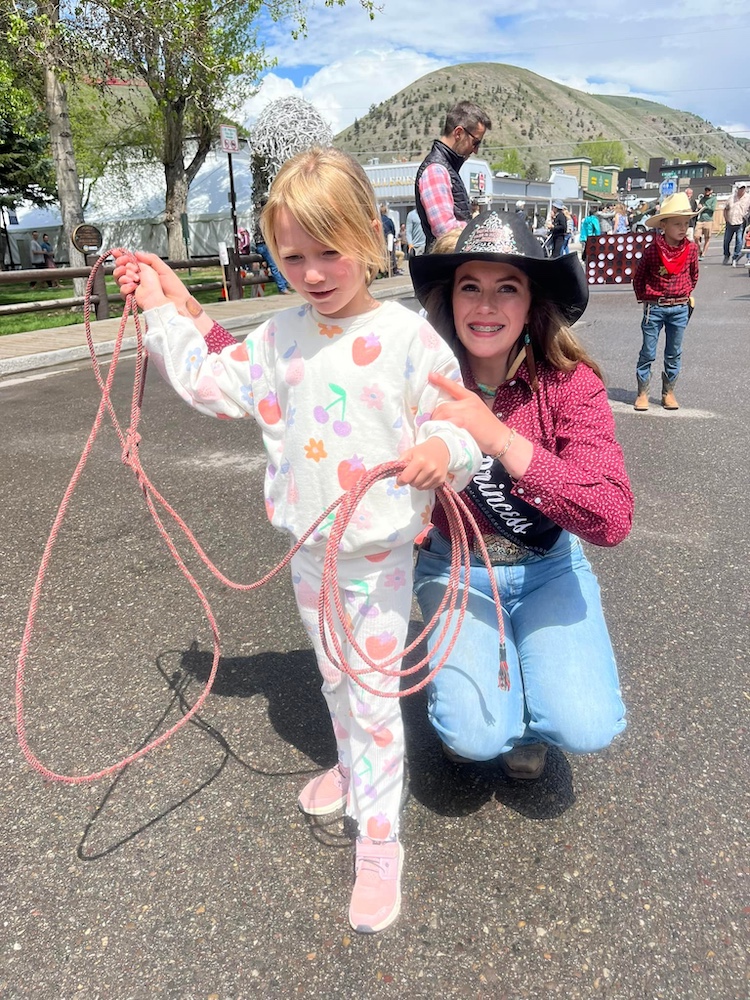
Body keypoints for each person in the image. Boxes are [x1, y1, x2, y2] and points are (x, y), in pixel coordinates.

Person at [112, 146, 482, 935]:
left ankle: (381, 837)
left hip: (379, 555)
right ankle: (353, 771)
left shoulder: (409, 340)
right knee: (332, 676)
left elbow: (463, 427)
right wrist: (159, 308)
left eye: (329, 250)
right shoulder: (278, 338)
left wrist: (441, 452)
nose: (313, 272)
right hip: (307, 551)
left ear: (369, 237)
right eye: (292, 255)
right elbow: (215, 384)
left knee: (373, 692)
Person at [408, 210, 632, 778]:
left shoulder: (570, 382)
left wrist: (501, 440)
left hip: (548, 567)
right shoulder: (414, 375)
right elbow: (314, 381)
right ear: (449, 299)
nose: (486, 306)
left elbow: (611, 516)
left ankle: (531, 712)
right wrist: (195, 328)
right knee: (477, 736)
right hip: (455, 568)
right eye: (470, 287)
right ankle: (495, 709)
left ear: (532, 302)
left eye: (508, 288)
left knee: (586, 723)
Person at [633, 192, 699, 411]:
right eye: (677, 224)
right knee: (648, 351)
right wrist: (645, 298)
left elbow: (694, 274)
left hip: (680, 307)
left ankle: (668, 392)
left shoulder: (691, 249)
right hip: (655, 307)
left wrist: (685, 292)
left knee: (673, 352)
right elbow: (640, 277)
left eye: (686, 223)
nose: (683, 228)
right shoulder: (653, 251)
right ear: (663, 225)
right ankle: (642, 392)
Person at [415, 100, 492, 252]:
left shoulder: (446, 168)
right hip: (445, 268)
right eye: (475, 142)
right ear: (458, 133)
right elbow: (447, 234)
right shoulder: (436, 170)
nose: (475, 150)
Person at [252, 196, 290, 294]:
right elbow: (265, 232)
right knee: (275, 265)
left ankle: (285, 284)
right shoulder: (263, 217)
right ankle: (282, 287)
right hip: (264, 244)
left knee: (280, 263)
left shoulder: (261, 216)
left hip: (267, 243)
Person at [722, 182, 750, 266]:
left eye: (743, 188)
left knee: (739, 241)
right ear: (737, 189)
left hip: (741, 222)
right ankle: (726, 255)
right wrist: (726, 219)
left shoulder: (748, 198)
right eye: (740, 188)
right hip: (730, 222)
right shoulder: (731, 198)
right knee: (726, 241)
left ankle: (735, 257)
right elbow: (725, 209)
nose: (742, 190)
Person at [694, 186, 717, 259]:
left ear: (711, 191)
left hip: (708, 220)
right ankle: (699, 250)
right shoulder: (702, 198)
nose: (707, 191)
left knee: (707, 238)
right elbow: (699, 207)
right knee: (696, 236)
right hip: (700, 220)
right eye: (706, 190)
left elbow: (712, 209)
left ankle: (703, 253)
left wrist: (704, 207)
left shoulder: (713, 199)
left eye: (708, 190)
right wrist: (699, 207)